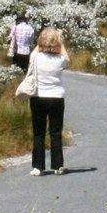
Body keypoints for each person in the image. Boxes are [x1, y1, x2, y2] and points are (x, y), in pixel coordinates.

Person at [25, 26, 69, 176]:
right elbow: (66, 57)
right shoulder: (61, 60)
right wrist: (58, 43)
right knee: (56, 132)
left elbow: (34, 53)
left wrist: (42, 42)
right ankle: (58, 165)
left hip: (38, 98)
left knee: (39, 132)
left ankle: (38, 166)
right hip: (56, 98)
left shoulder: (36, 57)